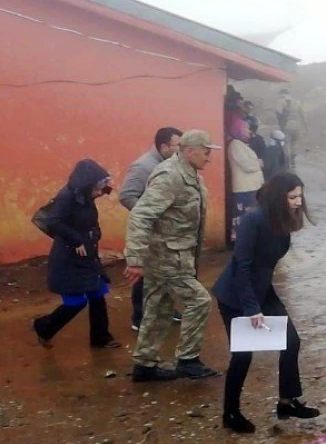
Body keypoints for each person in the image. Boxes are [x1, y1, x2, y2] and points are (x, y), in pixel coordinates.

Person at [212, 171, 320, 433]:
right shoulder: (254, 219)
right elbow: (242, 265)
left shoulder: (280, 220)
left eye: (300, 196)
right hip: (236, 295)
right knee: (242, 356)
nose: (298, 202)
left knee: (291, 341)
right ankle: (231, 413)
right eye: (292, 196)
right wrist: (252, 308)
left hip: (262, 289)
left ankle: (287, 401)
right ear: (277, 197)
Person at [124, 130, 221, 382]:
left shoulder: (191, 175)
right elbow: (141, 215)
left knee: (159, 308)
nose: (209, 157)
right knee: (199, 301)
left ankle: (144, 365)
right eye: (206, 151)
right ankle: (188, 360)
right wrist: (134, 259)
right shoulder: (170, 176)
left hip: (177, 254)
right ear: (190, 151)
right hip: (168, 257)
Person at [32, 160, 119, 350]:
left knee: (97, 294)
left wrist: (94, 235)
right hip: (69, 258)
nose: (99, 193)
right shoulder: (66, 197)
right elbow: (53, 221)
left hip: (87, 255)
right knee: (76, 302)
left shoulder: (84, 197)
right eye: (97, 189)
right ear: (87, 185)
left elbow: (87, 221)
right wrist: (76, 240)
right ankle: (43, 327)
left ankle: (100, 338)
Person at [119, 127, 183, 331]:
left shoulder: (171, 165)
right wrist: (150, 215)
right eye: (177, 146)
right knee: (143, 274)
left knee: (166, 271)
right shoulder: (143, 166)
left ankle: (165, 309)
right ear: (164, 147)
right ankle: (139, 317)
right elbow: (126, 195)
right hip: (149, 231)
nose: (180, 151)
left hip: (167, 232)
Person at [276, 89, 308, 169]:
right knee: (294, 144)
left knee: (286, 144)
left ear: (282, 94)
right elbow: (303, 115)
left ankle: (287, 163)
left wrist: (280, 125)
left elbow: (278, 114)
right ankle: (293, 162)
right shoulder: (297, 102)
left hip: (286, 126)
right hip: (297, 126)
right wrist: (305, 126)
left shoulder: (281, 101)